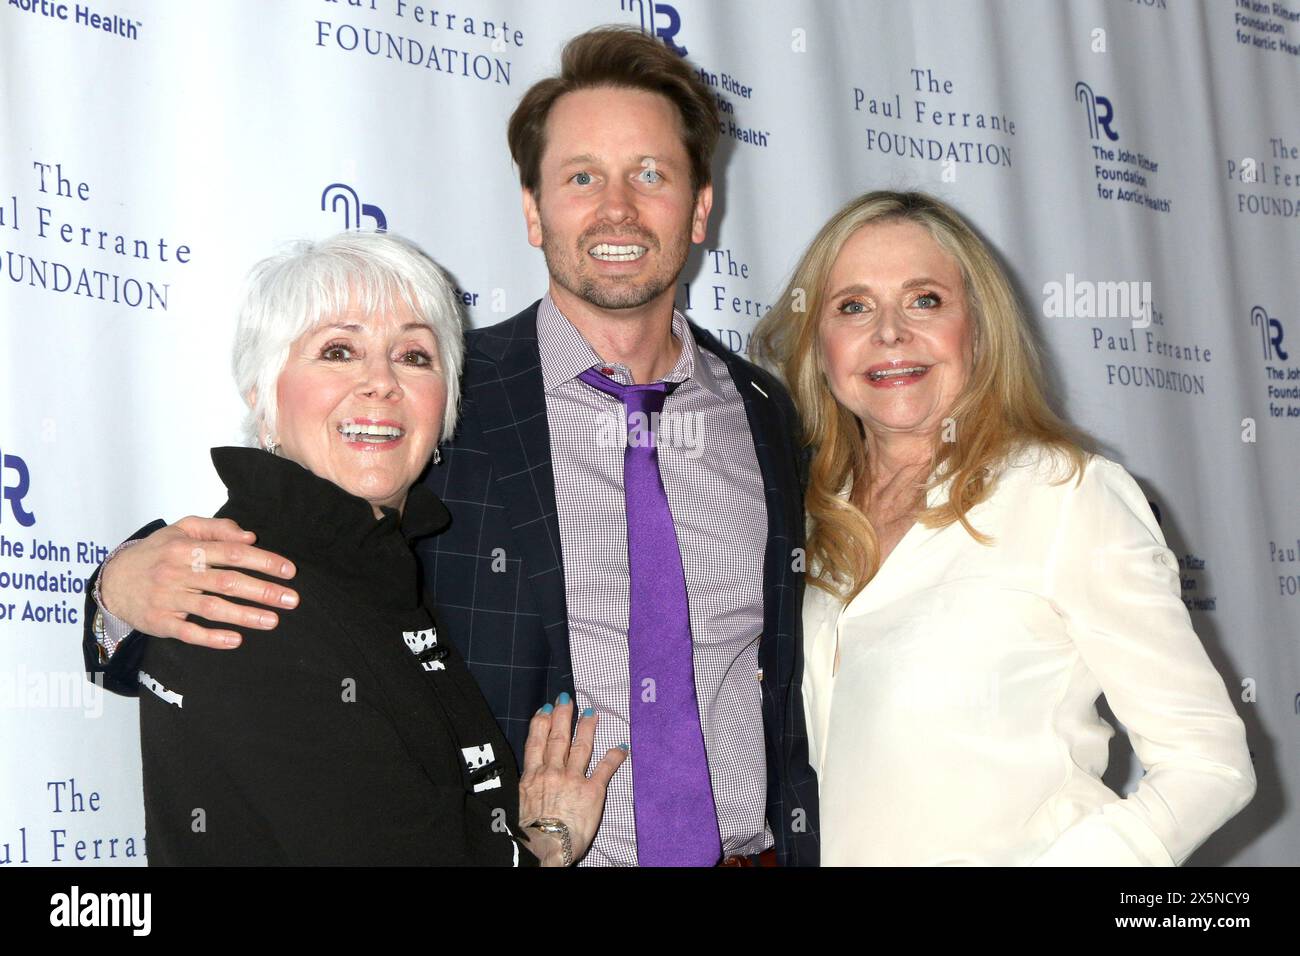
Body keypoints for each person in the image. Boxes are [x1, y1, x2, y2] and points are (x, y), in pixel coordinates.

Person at [82, 27, 818, 867]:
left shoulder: (765, 415)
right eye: (582, 178)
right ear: (535, 213)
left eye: (650, 175)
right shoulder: (442, 399)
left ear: (698, 208)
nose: (617, 208)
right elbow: (284, 562)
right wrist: (115, 594)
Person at [751, 190, 1256, 865]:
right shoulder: (804, 520)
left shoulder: (1065, 493)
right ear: (819, 347)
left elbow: (1211, 763)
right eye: (853, 307)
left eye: (925, 300)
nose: (891, 332)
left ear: (980, 329)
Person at [117, 231, 624, 865]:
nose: (380, 382)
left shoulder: (375, 560)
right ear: (262, 393)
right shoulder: (249, 590)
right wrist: (549, 845)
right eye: (338, 350)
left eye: (413, 355)